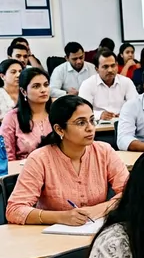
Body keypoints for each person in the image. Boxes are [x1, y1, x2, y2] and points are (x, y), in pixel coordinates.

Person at [5, 95, 129, 225]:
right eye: (81, 123)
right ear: (59, 129)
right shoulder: (39, 158)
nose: (90, 128)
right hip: (50, 237)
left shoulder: (104, 151)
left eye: (92, 120)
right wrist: (61, 217)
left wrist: (98, 210)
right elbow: (14, 210)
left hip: (96, 231)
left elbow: (131, 193)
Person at [0, 67, 52, 161]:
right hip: (23, 171)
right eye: (36, 86)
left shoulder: (57, 113)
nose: (43, 90)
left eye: (46, 85)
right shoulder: (12, 118)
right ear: (24, 91)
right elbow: (7, 159)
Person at [78, 48, 138, 119]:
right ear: (97, 69)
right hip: (97, 126)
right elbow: (82, 111)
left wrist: (125, 113)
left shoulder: (126, 82)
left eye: (113, 66)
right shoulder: (87, 84)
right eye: (105, 67)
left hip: (123, 123)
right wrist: (100, 115)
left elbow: (136, 105)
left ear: (117, 65)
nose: (110, 70)